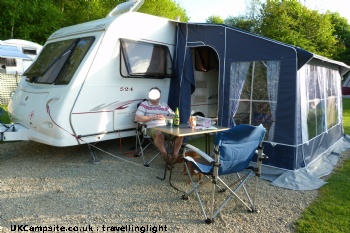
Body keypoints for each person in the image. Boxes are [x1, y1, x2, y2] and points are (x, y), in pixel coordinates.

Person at [134, 87, 183, 164]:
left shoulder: (164, 105)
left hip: (166, 127)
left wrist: (165, 117)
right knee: (159, 133)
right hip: (151, 128)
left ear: (159, 96)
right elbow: (137, 118)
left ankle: (174, 157)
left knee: (180, 135)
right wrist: (153, 117)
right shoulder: (144, 104)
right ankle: (165, 155)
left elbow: (174, 116)